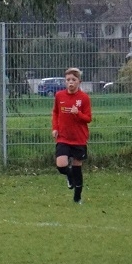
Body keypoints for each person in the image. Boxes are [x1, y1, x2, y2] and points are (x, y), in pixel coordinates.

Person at [52, 67, 92, 204]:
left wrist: (78, 113)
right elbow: (55, 112)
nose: (70, 82)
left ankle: (77, 197)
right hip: (63, 137)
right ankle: (69, 176)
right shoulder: (59, 95)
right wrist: (55, 128)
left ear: (79, 81)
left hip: (79, 138)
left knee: (77, 167)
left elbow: (88, 118)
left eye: (73, 80)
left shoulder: (84, 98)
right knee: (61, 165)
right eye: (68, 79)